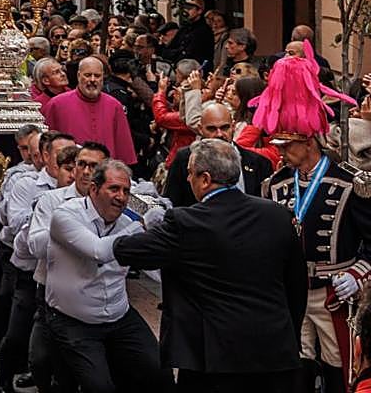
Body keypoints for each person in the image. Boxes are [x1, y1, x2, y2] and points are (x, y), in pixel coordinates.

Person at [114, 139, 307, 392]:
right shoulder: (278, 215)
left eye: (190, 174)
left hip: (213, 358)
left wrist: (143, 223)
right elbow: (297, 285)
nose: (187, 181)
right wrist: (286, 334)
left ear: (205, 179)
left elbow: (126, 250)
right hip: (274, 350)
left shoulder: (186, 222)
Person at [263, 99, 371, 389]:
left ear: (309, 142)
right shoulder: (276, 184)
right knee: (296, 364)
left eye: (287, 146)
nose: (280, 151)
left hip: (333, 293)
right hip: (291, 291)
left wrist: (356, 275)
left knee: (340, 367)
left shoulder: (350, 183)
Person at [45, 159, 168, 393]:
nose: (121, 197)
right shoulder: (66, 216)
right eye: (114, 189)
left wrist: (166, 232)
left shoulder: (126, 221)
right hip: (75, 321)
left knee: (159, 371)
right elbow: (98, 252)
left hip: (119, 316)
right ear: (94, 189)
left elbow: (153, 272)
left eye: (126, 191)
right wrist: (141, 226)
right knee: (99, 387)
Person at [0, 130, 77, 393]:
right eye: (62, 156)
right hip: (29, 270)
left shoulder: (84, 189)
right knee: (18, 333)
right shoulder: (26, 184)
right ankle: (3, 377)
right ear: (43, 156)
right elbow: (16, 224)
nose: (72, 163)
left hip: (65, 277)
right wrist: (46, 211)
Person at [24, 143, 110, 393]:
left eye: (93, 167)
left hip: (94, 296)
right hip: (51, 294)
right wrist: (65, 227)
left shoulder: (113, 200)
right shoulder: (52, 202)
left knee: (80, 371)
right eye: (81, 164)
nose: (85, 171)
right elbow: (34, 247)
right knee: (40, 360)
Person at [161, 101, 273, 208]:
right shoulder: (184, 159)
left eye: (225, 128)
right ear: (200, 129)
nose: (219, 134)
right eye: (212, 129)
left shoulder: (259, 163)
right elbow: (172, 202)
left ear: (233, 126)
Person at [44, 57, 137, 164]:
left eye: (97, 76)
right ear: (78, 76)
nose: (92, 80)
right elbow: (47, 147)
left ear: (103, 78)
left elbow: (124, 151)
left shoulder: (115, 106)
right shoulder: (56, 104)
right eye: (87, 75)